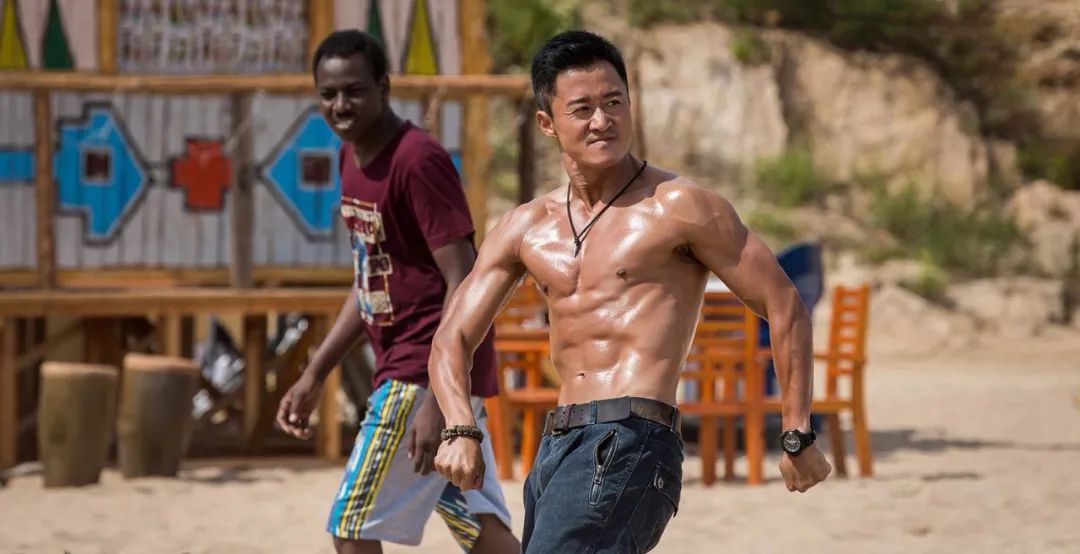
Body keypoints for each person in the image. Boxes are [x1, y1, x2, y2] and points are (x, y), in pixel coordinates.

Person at [427, 30, 832, 553]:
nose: (603, 120)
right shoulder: (526, 227)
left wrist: (796, 432)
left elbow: (784, 303)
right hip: (557, 448)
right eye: (583, 109)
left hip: (632, 438)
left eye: (614, 102)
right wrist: (459, 427)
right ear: (547, 123)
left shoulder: (679, 206)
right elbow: (452, 337)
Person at [275, 29, 520, 554]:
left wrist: (437, 398)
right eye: (328, 94)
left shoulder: (417, 160)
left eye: (354, 91)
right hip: (424, 372)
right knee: (478, 526)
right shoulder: (350, 158)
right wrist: (315, 373)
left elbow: (464, 277)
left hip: (422, 370)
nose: (340, 105)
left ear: (383, 88)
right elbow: (368, 279)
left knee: (352, 527)